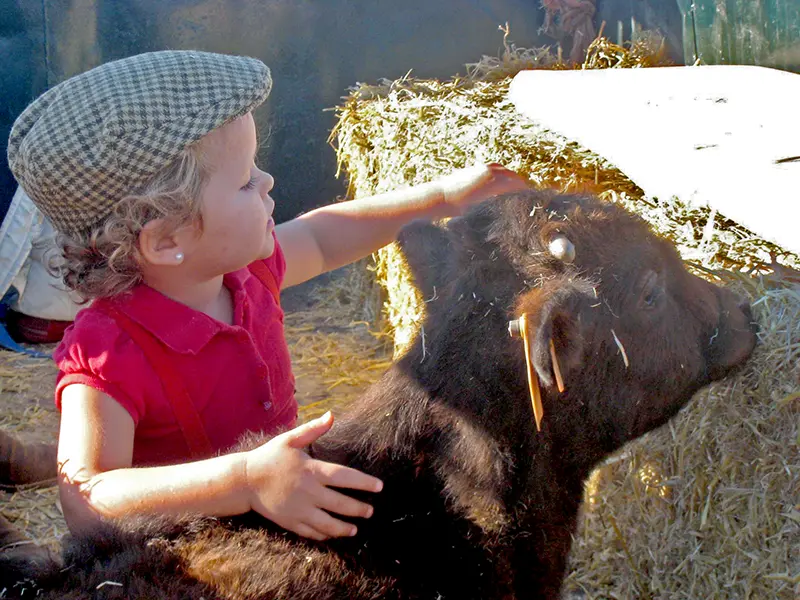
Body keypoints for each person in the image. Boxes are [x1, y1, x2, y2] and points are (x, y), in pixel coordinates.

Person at [6, 51, 527, 541]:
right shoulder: (105, 352)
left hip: (278, 514)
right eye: (244, 182)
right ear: (166, 240)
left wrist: (441, 198)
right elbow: (87, 497)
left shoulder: (247, 272)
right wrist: (245, 481)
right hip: (188, 561)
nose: (268, 181)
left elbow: (323, 238)